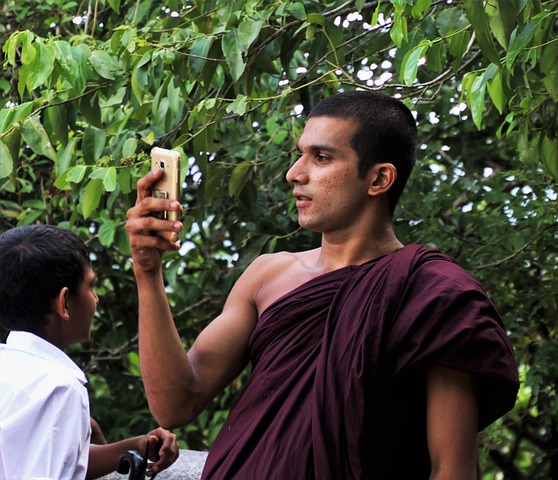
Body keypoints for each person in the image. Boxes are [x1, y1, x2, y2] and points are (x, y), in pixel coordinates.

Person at [126, 91, 520, 479]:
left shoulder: (435, 293)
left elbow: (451, 469)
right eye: (300, 154)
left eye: (322, 157)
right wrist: (147, 272)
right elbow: (176, 403)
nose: (295, 173)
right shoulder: (268, 275)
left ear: (379, 178)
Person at [0, 224, 180, 480]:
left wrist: (137, 445)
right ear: (65, 303)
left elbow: (53, 462)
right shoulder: (59, 389)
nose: (95, 299)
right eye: (90, 286)